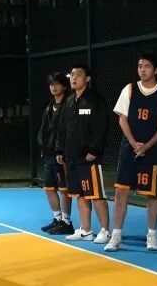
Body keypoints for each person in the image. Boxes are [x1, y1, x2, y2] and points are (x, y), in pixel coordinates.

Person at [105, 54, 157, 252]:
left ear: (156, 70)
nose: (142, 69)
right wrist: (133, 142)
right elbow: (122, 119)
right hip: (129, 149)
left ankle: (152, 235)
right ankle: (116, 235)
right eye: (139, 66)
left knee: (151, 194)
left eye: (147, 66)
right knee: (121, 191)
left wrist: (147, 145)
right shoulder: (129, 89)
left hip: (153, 151)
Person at [55, 65, 111, 245]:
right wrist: (60, 149)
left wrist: (94, 150)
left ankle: (105, 231)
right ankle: (86, 230)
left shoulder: (95, 100)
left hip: (89, 157)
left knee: (96, 194)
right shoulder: (69, 101)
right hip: (72, 157)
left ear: (87, 79)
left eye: (78, 75)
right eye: (72, 75)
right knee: (80, 194)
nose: (73, 78)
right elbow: (62, 128)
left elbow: (101, 126)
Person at [38, 72, 74, 235]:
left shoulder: (68, 105)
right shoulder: (49, 106)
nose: (53, 87)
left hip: (61, 153)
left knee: (64, 189)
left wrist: (62, 150)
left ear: (64, 86)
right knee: (48, 187)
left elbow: (68, 130)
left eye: (57, 84)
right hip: (48, 152)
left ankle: (66, 222)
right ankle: (57, 219)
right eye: (51, 84)